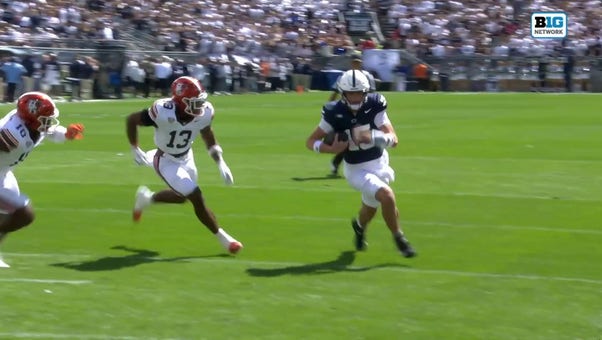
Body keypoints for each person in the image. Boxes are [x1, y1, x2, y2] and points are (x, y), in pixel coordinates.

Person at [125, 76, 243, 255]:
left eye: (200, 101)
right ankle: (224, 239)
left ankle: (147, 199)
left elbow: (207, 134)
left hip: (187, 156)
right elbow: (131, 120)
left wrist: (221, 163)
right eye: (194, 102)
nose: (200, 106)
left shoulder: (205, 112)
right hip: (165, 160)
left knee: (182, 197)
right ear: (181, 101)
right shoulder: (163, 111)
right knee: (195, 195)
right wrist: (135, 148)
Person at [305, 70, 416, 258]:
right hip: (356, 169)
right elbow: (311, 141)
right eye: (351, 93)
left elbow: (393, 139)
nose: (355, 97)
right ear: (343, 93)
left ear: (365, 93)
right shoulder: (334, 112)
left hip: (379, 161)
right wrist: (330, 149)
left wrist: (374, 137)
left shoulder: (375, 104)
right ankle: (399, 238)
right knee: (387, 196)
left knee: (370, 207)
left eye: (359, 93)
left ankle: (359, 226)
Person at [0, 92, 85, 268]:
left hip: (4, 172)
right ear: (32, 118)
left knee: (9, 214)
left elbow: (49, 131)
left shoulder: (32, 125)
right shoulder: (12, 133)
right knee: (25, 214)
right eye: (45, 118)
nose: (49, 123)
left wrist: (66, 134)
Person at [327, 54, 376, 176]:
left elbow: (373, 95)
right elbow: (335, 92)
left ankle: (338, 163)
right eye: (354, 62)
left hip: (363, 112)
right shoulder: (344, 77)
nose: (356, 64)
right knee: (350, 141)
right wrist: (330, 108)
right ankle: (337, 164)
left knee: (359, 142)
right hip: (346, 111)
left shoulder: (368, 76)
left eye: (358, 62)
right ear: (351, 63)